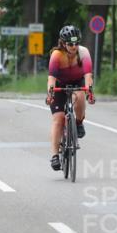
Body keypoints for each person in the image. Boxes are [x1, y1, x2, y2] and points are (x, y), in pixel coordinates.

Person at [46, 25, 95, 171]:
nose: (74, 47)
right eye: (70, 44)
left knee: (80, 95)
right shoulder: (56, 55)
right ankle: (55, 156)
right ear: (63, 43)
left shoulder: (84, 52)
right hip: (59, 84)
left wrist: (90, 92)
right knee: (58, 119)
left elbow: (88, 76)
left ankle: (78, 123)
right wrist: (50, 94)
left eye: (76, 43)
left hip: (77, 82)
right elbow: (51, 78)